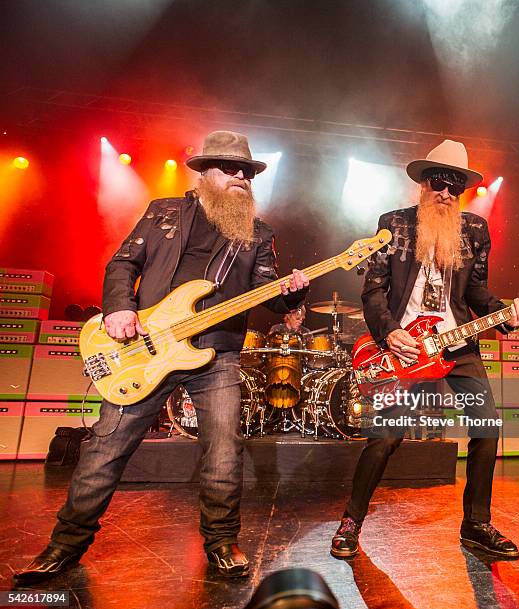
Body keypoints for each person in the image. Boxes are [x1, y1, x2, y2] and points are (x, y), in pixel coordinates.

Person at [15, 130, 309, 584]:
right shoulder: (165, 212)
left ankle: (221, 542)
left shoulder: (258, 233)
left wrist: (293, 295)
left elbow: (268, 294)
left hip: (217, 354)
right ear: (205, 173)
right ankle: (64, 545)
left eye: (247, 172)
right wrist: (118, 309)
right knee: (106, 447)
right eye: (230, 169)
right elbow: (122, 264)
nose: (240, 177)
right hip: (146, 349)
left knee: (225, 452)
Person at [330, 140, 519, 559]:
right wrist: (389, 334)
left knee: (486, 429)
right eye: (439, 182)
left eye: (455, 187)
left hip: (457, 348)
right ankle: (352, 520)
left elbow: (476, 292)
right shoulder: (394, 224)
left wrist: (506, 312)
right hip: (405, 349)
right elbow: (373, 290)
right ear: (423, 184)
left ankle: (476, 525)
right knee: (386, 437)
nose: (445, 192)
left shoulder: (474, 230)